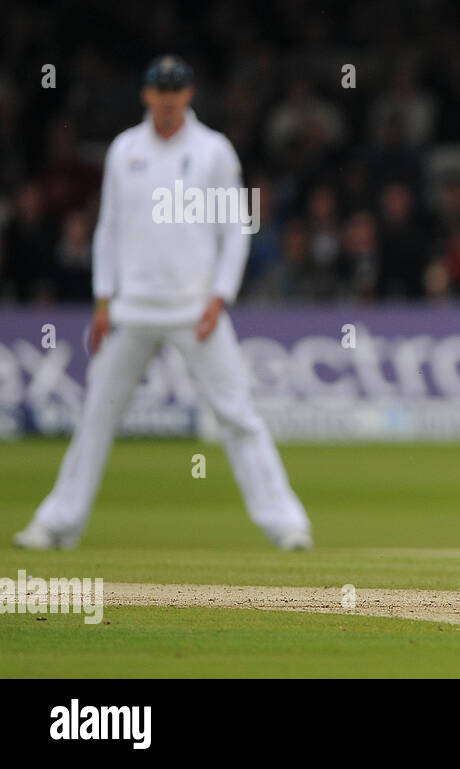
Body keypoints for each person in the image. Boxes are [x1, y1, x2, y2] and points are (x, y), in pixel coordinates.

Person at [14, 56, 313, 550]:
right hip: (132, 309)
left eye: (177, 91)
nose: (169, 100)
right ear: (146, 95)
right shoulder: (125, 150)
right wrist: (103, 300)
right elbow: (108, 229)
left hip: (196, 310)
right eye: (160, 91)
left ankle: (287, 524)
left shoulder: (214, 151)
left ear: (189, 95)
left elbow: (236, 230)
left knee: (238, 415)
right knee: (96, 416)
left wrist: (220, 297)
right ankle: (58, 523)